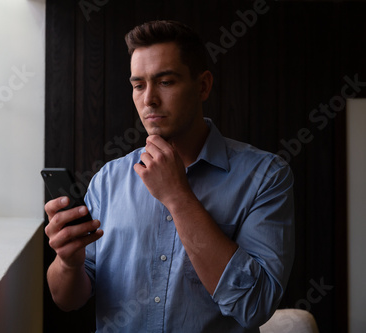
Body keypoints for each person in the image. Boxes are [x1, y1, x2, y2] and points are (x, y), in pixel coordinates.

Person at [44, 20, 294, 332]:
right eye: (138, 85)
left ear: (202, 85)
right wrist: (68, 263)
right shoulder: (108, 180)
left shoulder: (265, 176)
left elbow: (255, 305)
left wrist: (177, 196)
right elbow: (68, 300)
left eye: (165, 82)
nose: (148, 99)